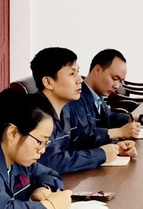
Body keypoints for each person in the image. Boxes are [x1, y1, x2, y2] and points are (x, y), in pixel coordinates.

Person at [30, 47, 134, 175]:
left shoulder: (65, 108)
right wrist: (100, 154)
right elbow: (51, 161)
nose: (80, 80)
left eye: (78, 72)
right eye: (72, 74)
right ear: (48, 82)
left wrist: (116, 147)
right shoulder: (34, 115)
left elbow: (82, 138)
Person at [67, 49, 143, 147]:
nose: (117, 86)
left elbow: (109, 117)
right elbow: (83, 135)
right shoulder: (76, 97)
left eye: (120, 81)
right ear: (98, 70)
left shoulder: (97, 94)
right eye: (114, 79)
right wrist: (120, 132)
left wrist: (140, 119)